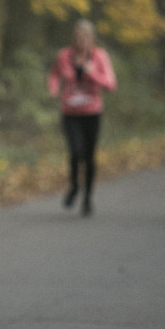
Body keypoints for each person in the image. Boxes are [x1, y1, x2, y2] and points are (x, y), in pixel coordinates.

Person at [47, 19, 117, 216]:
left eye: (85, 37)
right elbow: (53, 74)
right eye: (77, 37)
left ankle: (87, 197)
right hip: (70, 113)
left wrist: (93, 74)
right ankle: (74, 188)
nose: (81, 41)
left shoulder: (100, 57)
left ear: (92, 39)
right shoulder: (63, 55)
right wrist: (53, 88)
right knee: (75, 152)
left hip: (92, 113)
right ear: (73, 38)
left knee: (89, 155)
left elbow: (111, 85)